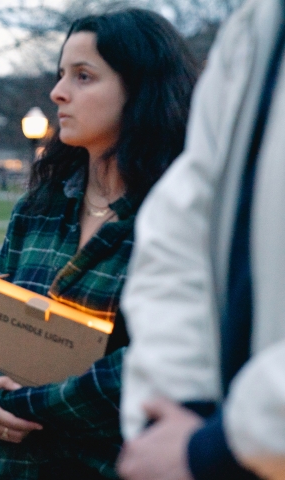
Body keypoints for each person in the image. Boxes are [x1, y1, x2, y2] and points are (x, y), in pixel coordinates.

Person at [0, 9, 197, 480]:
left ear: (142, 88)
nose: (58, 92)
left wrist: (12, 403)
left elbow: (144, 369)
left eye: (84, 76)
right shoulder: (38, 207)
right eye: (62, 74)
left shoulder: (180, 217)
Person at [117, 1, 285, 479]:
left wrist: (223, 446)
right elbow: (180, 238)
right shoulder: (254, 26)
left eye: (83, 76)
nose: (57, 93)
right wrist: (178, 412)